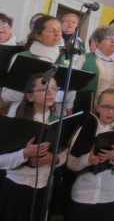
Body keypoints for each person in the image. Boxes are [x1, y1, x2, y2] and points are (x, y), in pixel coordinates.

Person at [0, 75, 66, 221]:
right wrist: (24, 153)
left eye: (54, 88)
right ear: (30, 96)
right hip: (16, 188)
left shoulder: (59, 121)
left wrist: (54, 158)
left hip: (45, 188)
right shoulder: (15, 122)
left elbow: (65, 154)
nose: (51, 93)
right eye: (44, 89)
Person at [67, 88, 114, 221]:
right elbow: (70, 163)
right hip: (82, 195)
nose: (110, 112)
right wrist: (88, 159)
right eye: (105, 106)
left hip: (110, 196)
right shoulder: (84, 129)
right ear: (97, 107)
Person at [2, 15, 74, 116]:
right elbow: (6, 94)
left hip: (53, 114)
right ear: (38, 35)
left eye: (59, 30)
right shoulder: (22, 57)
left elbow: (68, 94)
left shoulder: (65, 58)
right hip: (22, 113)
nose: (57, 34)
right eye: (51, 31)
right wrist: (35, 95)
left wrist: (52, 95)